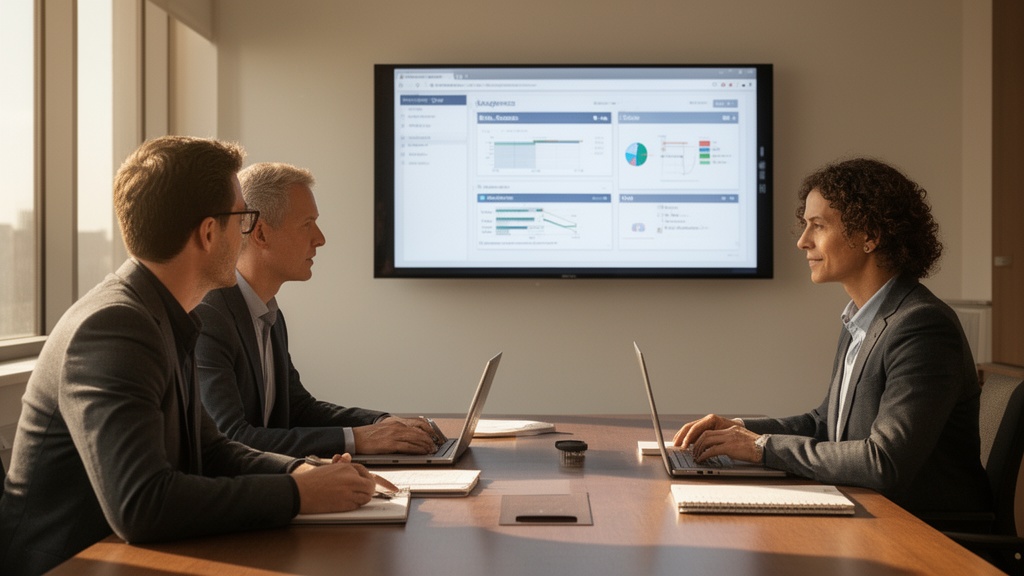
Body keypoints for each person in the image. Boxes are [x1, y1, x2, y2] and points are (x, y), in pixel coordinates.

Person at [0, 137, 380, 576]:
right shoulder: (114, 327)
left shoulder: (161, 313)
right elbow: (141, 504)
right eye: (243, 218)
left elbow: (212, 449)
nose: (246, 233)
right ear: (208, 232)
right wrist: (299, 494)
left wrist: (301, 471)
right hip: (71, 565)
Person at [673, 157, 991, 519]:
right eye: (805, 225)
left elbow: (883, 461)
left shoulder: (921, 326)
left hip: (923, 531)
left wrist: (762, 448)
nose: (803, 241)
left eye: (819, 226)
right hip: (871, 513)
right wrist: (740, 430)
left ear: (869, 236)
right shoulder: (861, 318)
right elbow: (826, 424)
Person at [195, 162, 438, 457]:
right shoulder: (210, 317)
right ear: (261, 234)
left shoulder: (269, 315)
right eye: (307, 224)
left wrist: (380, 422)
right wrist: (357, 439)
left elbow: (298, 408)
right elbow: (233, 437)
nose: (320, 239)